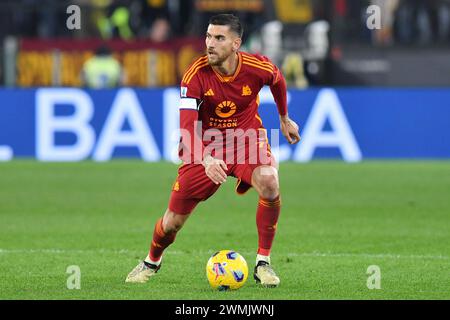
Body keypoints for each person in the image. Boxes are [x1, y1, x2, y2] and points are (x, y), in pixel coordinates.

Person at [125, 14, 301, 287]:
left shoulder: (256, 67)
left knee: (269, 179)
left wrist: (284, 118)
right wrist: (206, 158)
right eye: (208, 36)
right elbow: (187, 129)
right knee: (172, 222)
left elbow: (277, 80)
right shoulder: (194, 75)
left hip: (246, 140)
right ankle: (151, 260)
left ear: (235, 43)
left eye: (219, 38)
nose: (210, 43)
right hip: (205, 145)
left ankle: (263, 263)